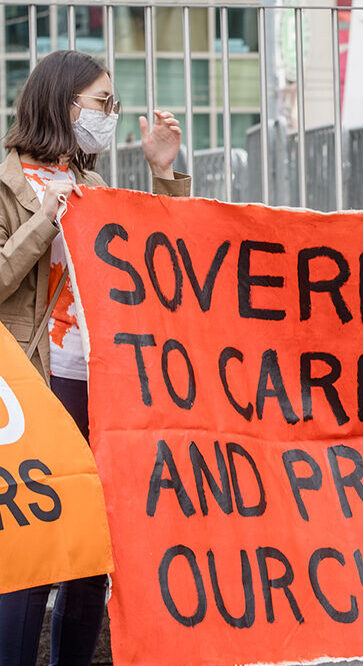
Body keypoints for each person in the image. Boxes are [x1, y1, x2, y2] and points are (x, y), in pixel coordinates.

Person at [0, 50, 190, 666]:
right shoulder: (6, 185)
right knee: (31, 551)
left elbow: (165, 261)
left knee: (92, 553)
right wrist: (46, 219)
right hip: (33, 388)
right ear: (62, 103)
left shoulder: (95, 188)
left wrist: (164, 173)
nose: (111, 116)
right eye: (102, 103)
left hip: (97, 384)